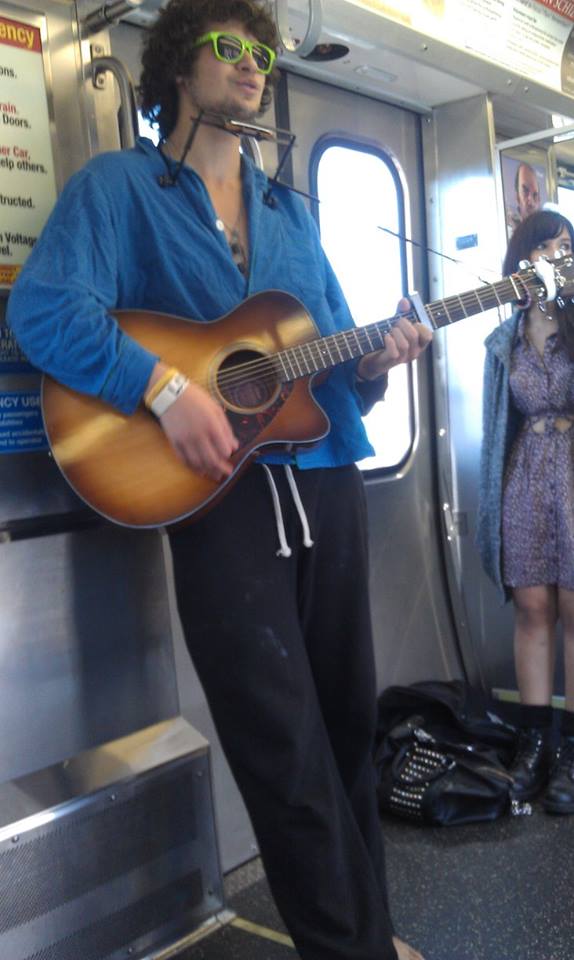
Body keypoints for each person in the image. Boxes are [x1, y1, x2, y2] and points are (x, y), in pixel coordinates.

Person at [7, 1, 432, 957]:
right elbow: (44, 312)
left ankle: (372, 934)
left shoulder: (288, 212)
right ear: (177, 65)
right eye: (232, 49)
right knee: (282, 747)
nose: (253, 67)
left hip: (323, 481)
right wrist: (161, 388)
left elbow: (325, 349)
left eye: (263, 55)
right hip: (218, 498)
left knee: (346, 724)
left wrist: (376, 360)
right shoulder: (120, 189)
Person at [477, 209, 574, 814]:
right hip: (525, 472)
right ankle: (536, 742)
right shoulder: (502, 338)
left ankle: (573, 755)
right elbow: (495, 425)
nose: (560, 257)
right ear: (524, 260)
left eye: (567, 249)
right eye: (550, 248)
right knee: (534, 608)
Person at [506, 161, 541, 233]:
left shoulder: (546, 233)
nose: (530, 200)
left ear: (539, 200)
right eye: (525, 191)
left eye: (535, 195)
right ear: (517, 197)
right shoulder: (509, 231)